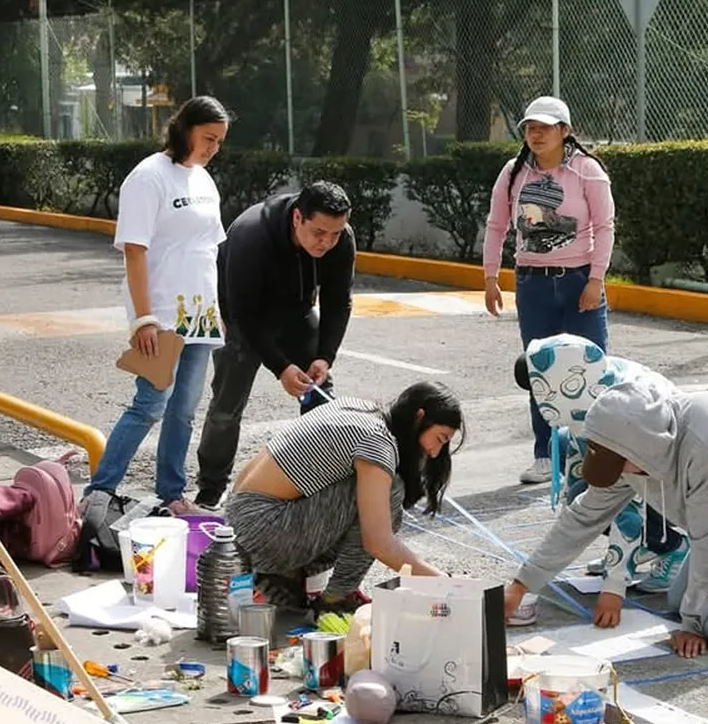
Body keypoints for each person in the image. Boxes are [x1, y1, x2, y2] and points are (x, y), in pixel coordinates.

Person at [503, 382, 708, 655]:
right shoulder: (626, 450)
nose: (616, 472)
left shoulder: (706, 444)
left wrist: (693, 626)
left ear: (646, 448)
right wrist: (521, 584)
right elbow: (583, 517)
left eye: (620, 462)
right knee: (676, 599)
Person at [79, 95, 230, 517]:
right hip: (161, 316)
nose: (213, 148)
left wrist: (218, 312)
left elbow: (208, 251)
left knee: (183, 412)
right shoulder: (148, 178)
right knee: (150, 405)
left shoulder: (203, 180)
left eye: (219, 141)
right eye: (208, 138)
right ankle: (100, 491)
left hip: (200, 317)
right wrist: (142, 318)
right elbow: (134, 251)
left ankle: (172, 494)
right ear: (184, 129)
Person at [223, 381, 463, 615]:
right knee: (389, 493)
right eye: (440, 438)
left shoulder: (360, 409)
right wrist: (444, 584)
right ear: (419, 417)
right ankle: (338, 598)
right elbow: (379, 542)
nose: (435, 452)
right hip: (260, 527)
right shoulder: (377, 442)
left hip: (240, 523)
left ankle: (284, 576)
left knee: (375, 495)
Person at [193, 181, 356, 509]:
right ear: (298, 218)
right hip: (240, 317)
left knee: (320, 394)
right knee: (227, 407)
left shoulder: (341, 239)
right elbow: (245, 313)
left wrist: (325, 356)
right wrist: (280, 367)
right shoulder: (252, 235)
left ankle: (321, 480)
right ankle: (211, 488)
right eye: (319, 233)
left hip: (296, 311)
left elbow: (338, 301)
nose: (327, 242)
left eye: (335, 233)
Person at [512, 334, 691, 627]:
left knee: (607, 500)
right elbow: (583, 501)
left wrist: (614, 585)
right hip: (646, 477)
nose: (538, 399)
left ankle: (674, 547)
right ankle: (647, 546)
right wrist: (528, 578)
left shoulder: (618, 413)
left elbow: (619, 499)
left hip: (670, 479)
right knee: (581, 492)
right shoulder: (590, 383)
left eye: (537, 388)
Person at [482, 95, 615, 486]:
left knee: (592, 369)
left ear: (565, 131)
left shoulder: (588, 171)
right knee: (539, 369)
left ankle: (597, 455)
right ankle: (545, 454)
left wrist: (595, 279)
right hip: (532, 284)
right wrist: (491, 277)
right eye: (529, 127)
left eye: (544, 127)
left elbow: (605, 227)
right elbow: (496, 226)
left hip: (578, 281)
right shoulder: (513, 172)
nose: (535, 134)